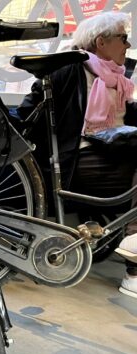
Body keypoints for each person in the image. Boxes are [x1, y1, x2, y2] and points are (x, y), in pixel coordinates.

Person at [18, 11, 137, 299]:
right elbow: (28, 113)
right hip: (80, 160)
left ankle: (134, 240)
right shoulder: (69, 69)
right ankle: (134, 266)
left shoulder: (121, 80)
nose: (128, 45)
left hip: (116, 155)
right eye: (123, 38)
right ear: (101, 41)